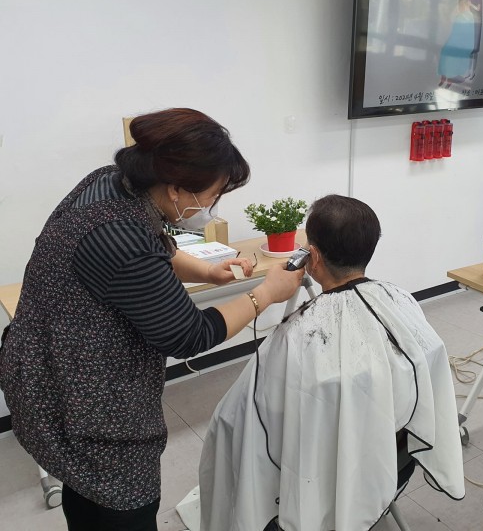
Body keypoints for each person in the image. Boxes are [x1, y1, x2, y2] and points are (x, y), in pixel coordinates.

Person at [0, 108, 304, 531]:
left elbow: (153, 245)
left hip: (49, 364)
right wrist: (266, 294)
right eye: (213, 195)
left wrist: (206, 271)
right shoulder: (118, 235)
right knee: (121, 501)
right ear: (176, 188)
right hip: (81, 397)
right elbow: (189, 334)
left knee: (85, 487)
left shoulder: (113, 182)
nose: (212, 206)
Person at [198, 195, 465, 531]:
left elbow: (238, 419)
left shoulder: (297, 336)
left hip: (320, 476)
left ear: (313, 256)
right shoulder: (400, 299)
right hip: (394, 460)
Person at [438, 0, 475, 88]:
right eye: (459, 5)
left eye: (462, 5)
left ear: (466, 5)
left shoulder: (469, 16)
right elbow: (452, 29)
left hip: (463, 42)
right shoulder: (459, 16)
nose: (460, 7)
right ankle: (443, 78)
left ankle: (449, 81)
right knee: (444, 53)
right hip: (454, 39)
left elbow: (469, 32)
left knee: (452, 58)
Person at [466, 0, 483, 79]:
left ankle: (473, 72)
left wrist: (470, 4)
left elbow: (478, 8)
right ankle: (468, 72)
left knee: (475, 48)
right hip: (470, 22)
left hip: (477, 22)